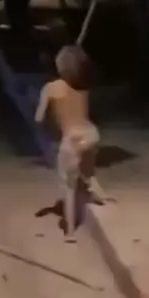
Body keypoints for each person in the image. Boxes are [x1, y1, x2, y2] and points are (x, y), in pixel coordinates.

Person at [34, 44, 113, 242]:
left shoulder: (51, 88)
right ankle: (99, 194)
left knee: (69, 188)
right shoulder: (83, 88)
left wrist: (45, 106)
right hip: (91, 134)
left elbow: (39, 118)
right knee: (88, 171)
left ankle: (69, 231)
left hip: (72, 139)